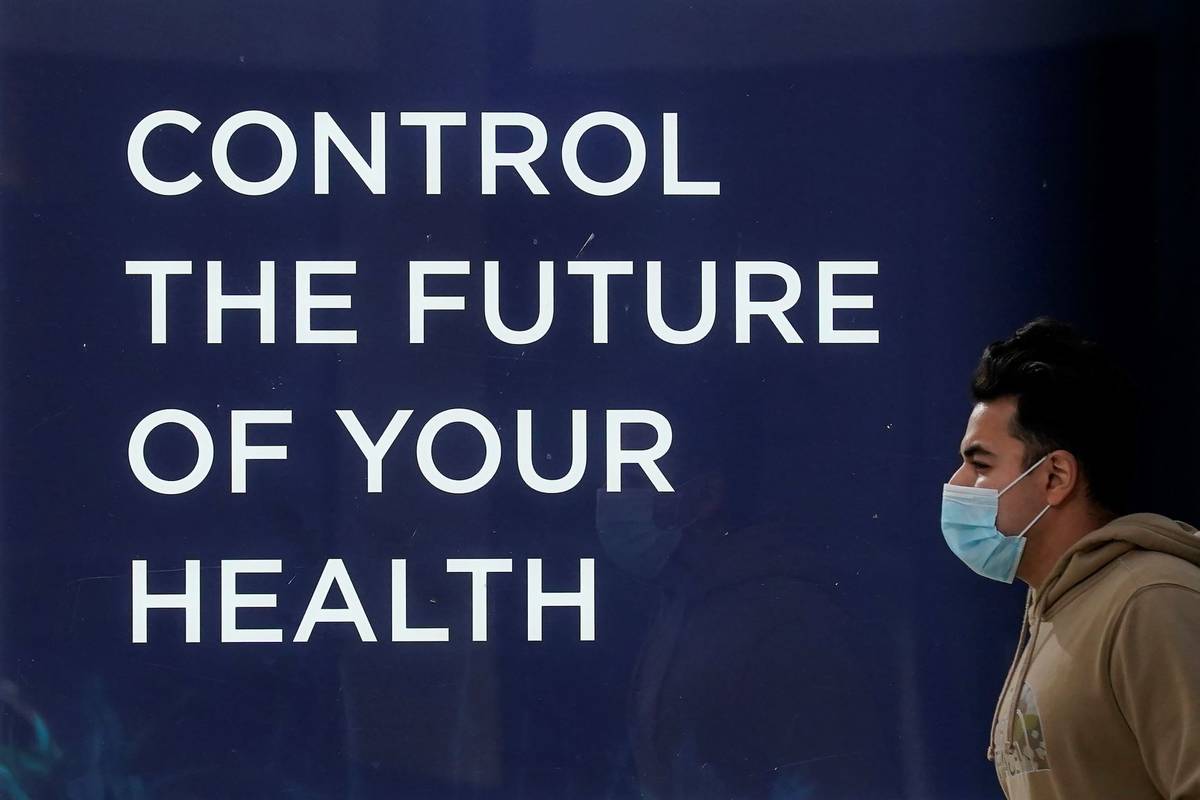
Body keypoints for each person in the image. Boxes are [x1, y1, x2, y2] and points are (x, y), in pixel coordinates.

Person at [941, 317, 1200, 799]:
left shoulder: (1154, 602)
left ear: (1056, 476)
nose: (957, 484)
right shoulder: (1056, 611)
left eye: (980, 464)